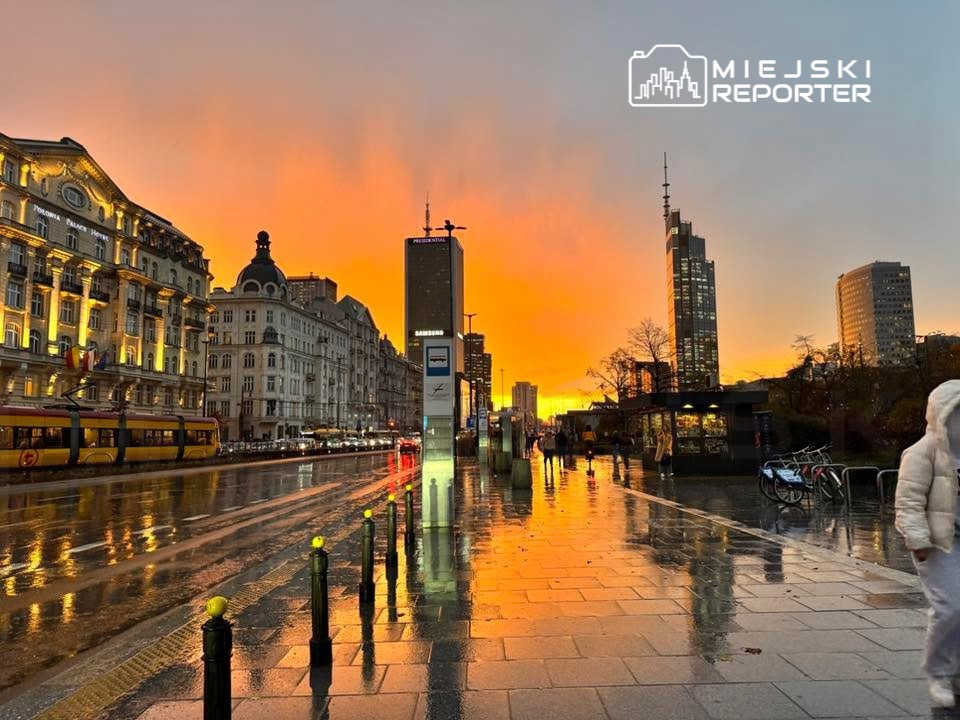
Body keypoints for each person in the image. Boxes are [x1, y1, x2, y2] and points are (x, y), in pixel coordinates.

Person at [895, 380, 960, 708]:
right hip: (938, 544)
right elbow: (908, 500)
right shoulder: (923, 451)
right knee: (951, 606)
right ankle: (938, 672)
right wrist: (917, 539)